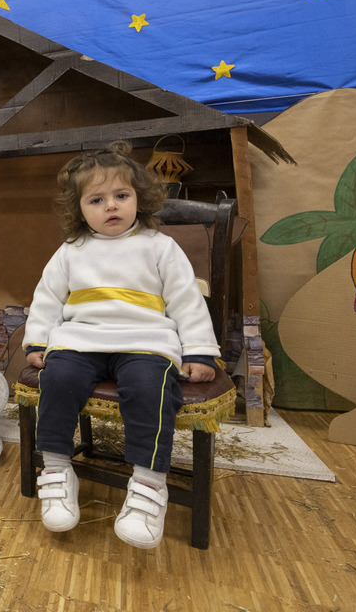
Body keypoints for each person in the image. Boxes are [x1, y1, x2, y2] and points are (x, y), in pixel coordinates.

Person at [24, 141, 220, 549]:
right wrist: (39, 340)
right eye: (96, 199)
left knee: (149, 390)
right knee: (58, 382)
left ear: (139, 199)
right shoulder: (70, 252)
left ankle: (149, 487)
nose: (110, 206)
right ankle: (58, 470)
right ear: (78, 209)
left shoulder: (159, 246)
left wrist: (199, 351)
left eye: (121, 195)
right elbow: (47, 298)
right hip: (81, 339)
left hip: (145, 341)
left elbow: (186, 299)